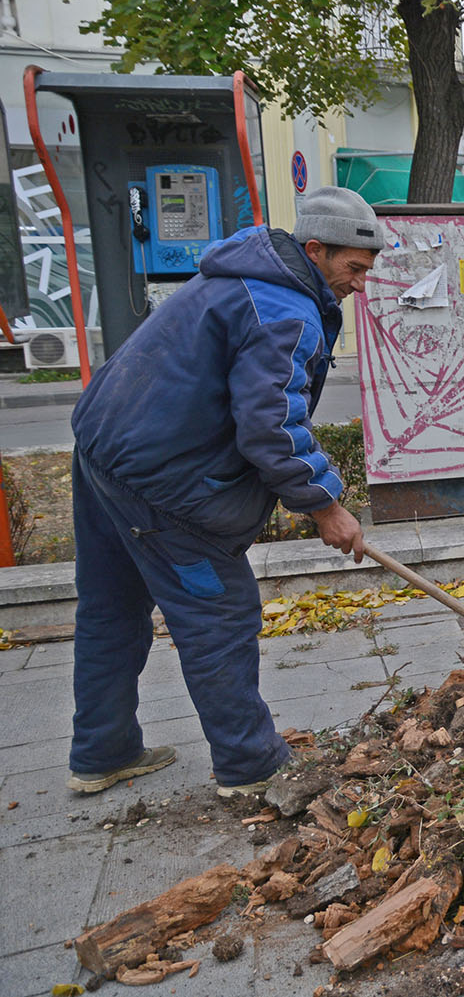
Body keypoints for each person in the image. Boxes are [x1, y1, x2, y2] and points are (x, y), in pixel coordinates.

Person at [66, 187, 377, 796]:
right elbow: (272, 426)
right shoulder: (284, 310)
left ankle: (102, 753)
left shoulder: (241, 277)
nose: (360, 285)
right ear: (316, 250)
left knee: (111, 609)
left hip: (103, 450)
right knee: (219, 617)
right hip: (164, 482)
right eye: (354, 269)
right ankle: (251, 766)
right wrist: (326, 506)